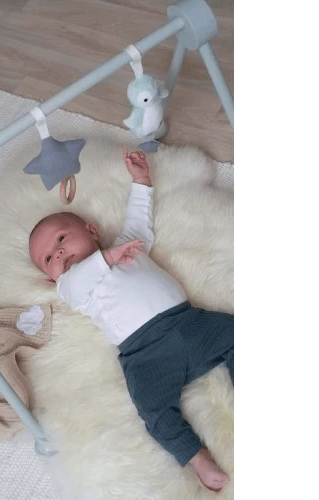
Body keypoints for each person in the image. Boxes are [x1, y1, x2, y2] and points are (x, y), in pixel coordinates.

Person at [29, 149, 234, 491]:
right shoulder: (71, 286)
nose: (59, 252)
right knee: (153, 410)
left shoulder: (127, 246)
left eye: (61, 238)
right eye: (49, 258)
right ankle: (196, 457)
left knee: (234, 332)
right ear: (51, 278)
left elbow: (139, 222)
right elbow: (79, 280)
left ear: (92, 231)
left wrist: (141, 180)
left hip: (187, 322)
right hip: (144, 355)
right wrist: (108, 258)